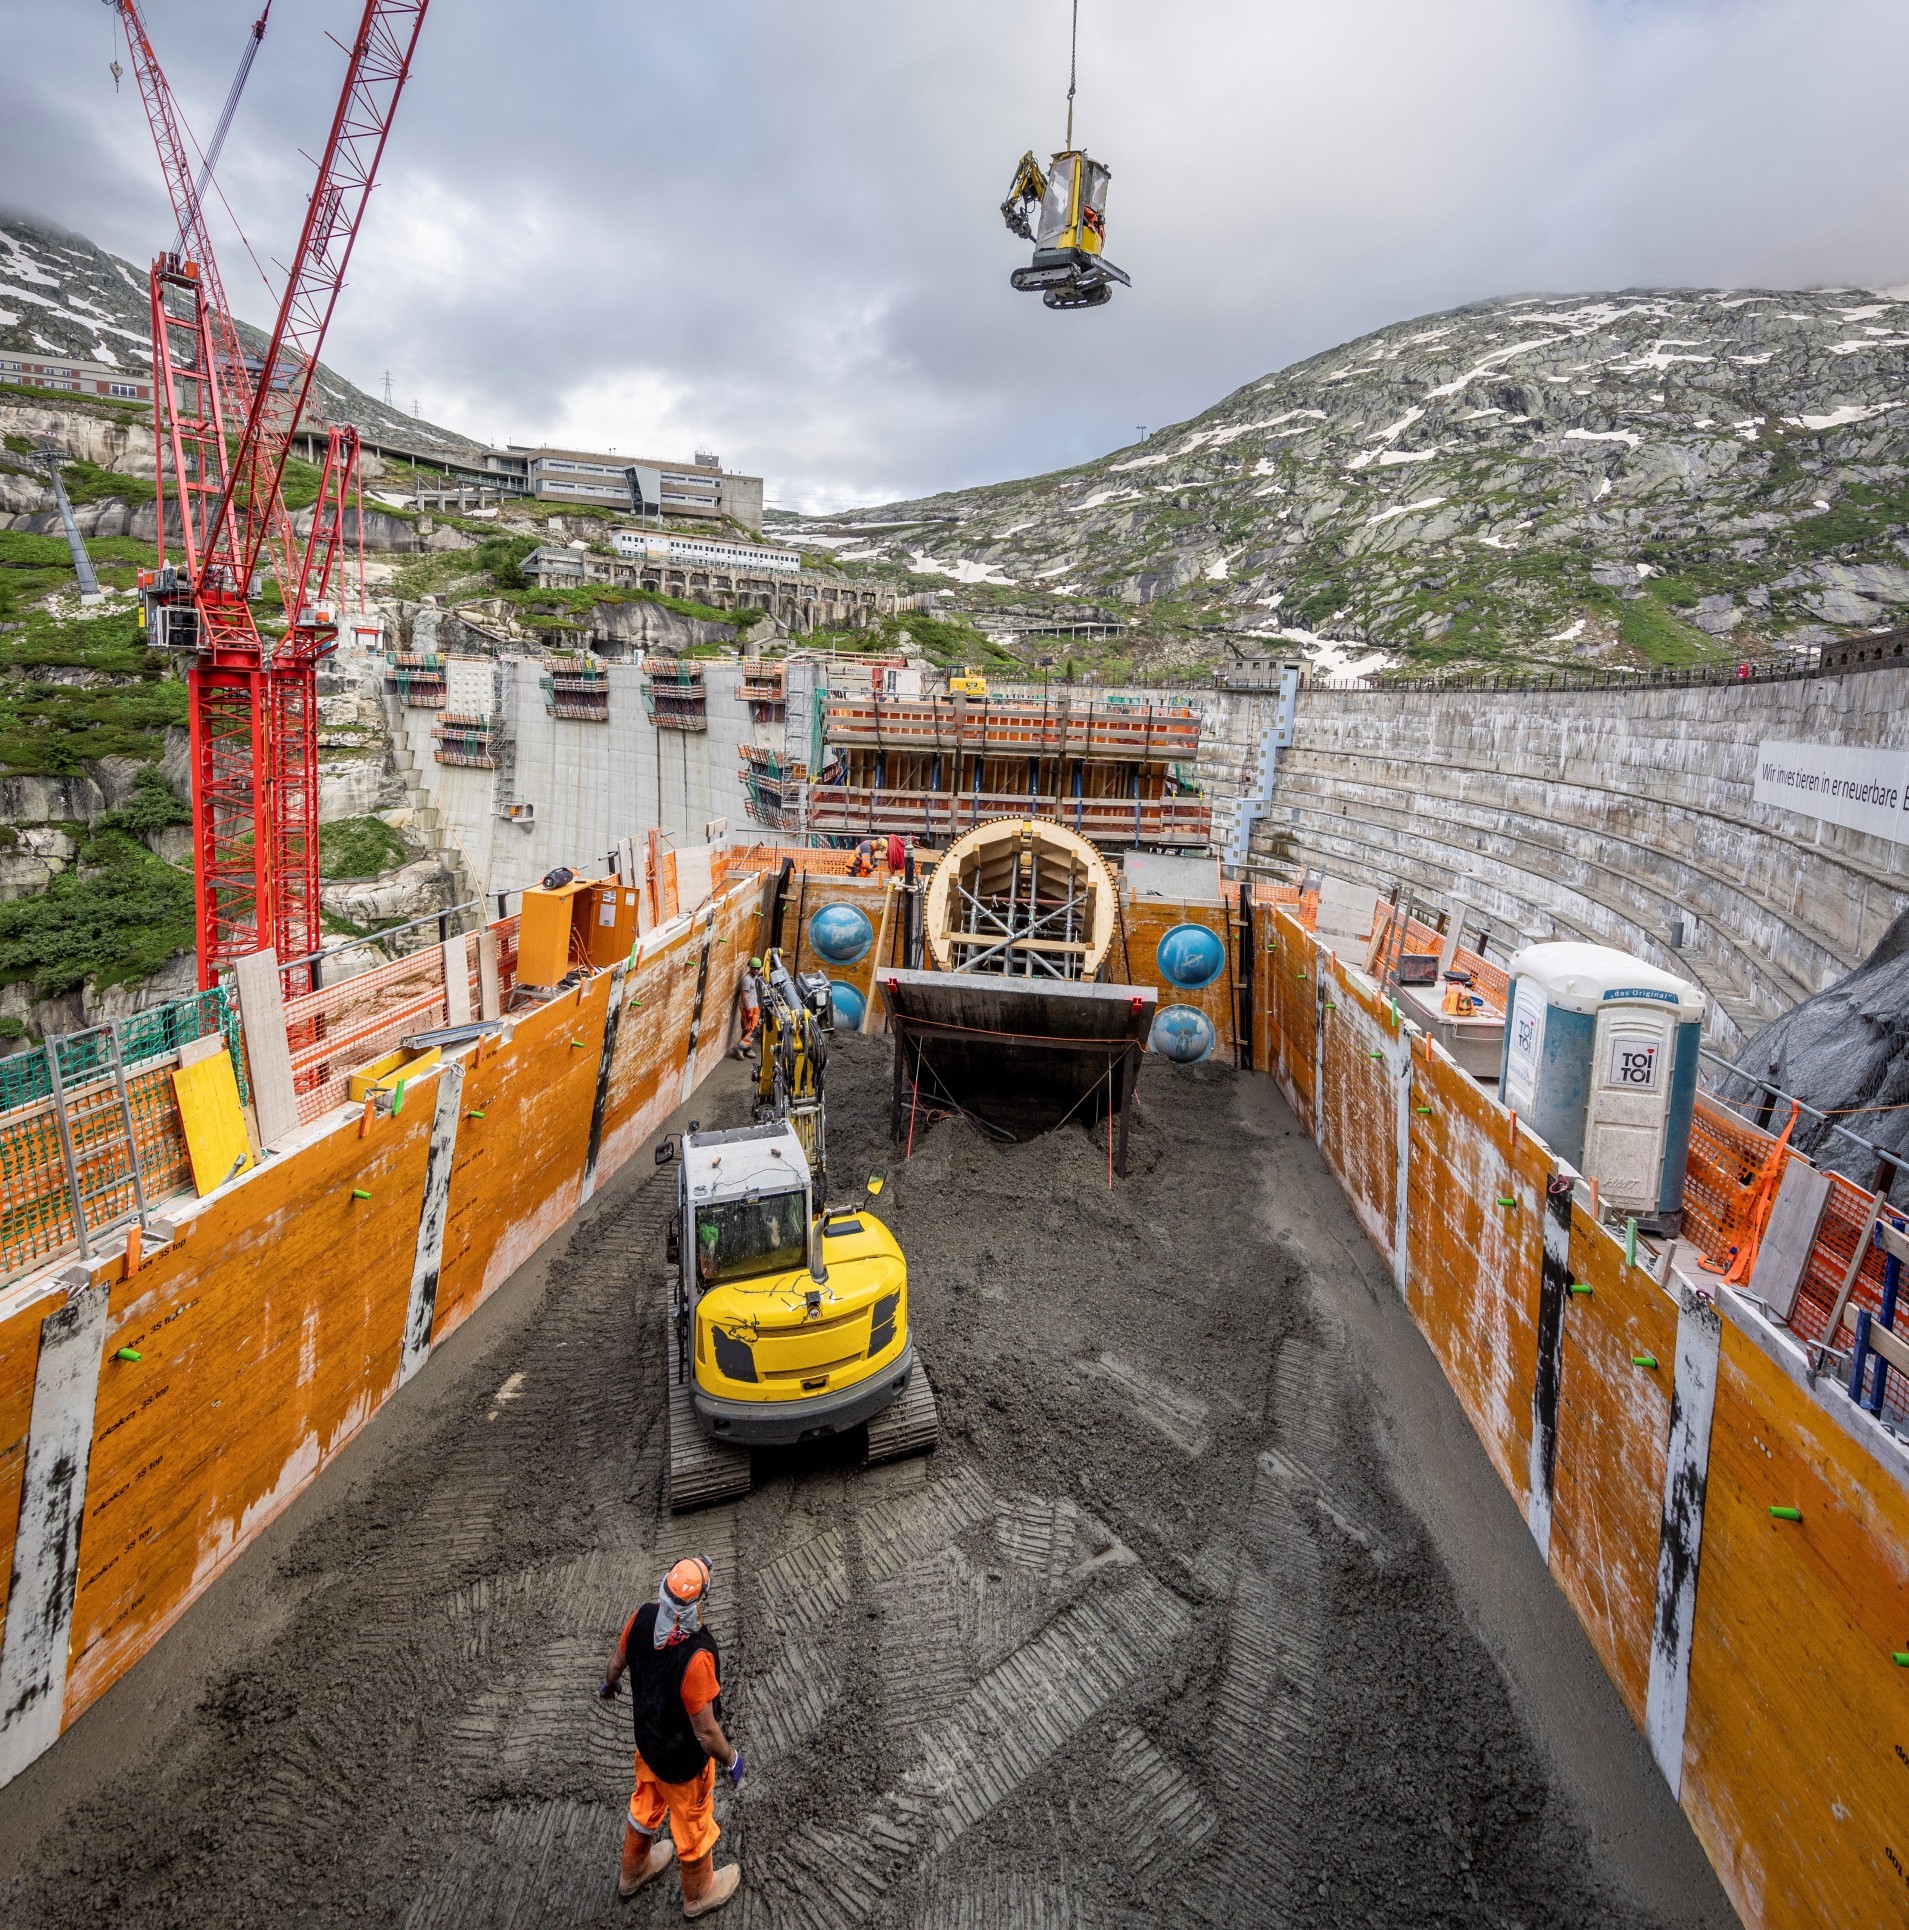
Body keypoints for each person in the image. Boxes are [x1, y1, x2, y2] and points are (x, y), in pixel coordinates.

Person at [599, 1557, 745, 1916]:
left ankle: (632, 1873)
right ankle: (699, 1894)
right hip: (682, 1765)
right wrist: (731, 1759)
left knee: (645, 1803)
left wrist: (610, 1684)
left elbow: (616, 1664)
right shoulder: (696, 1657)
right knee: (692, 1825)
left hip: (648, 1745)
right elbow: (706, 1732)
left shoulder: (642, 1617)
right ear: (696, 1605)